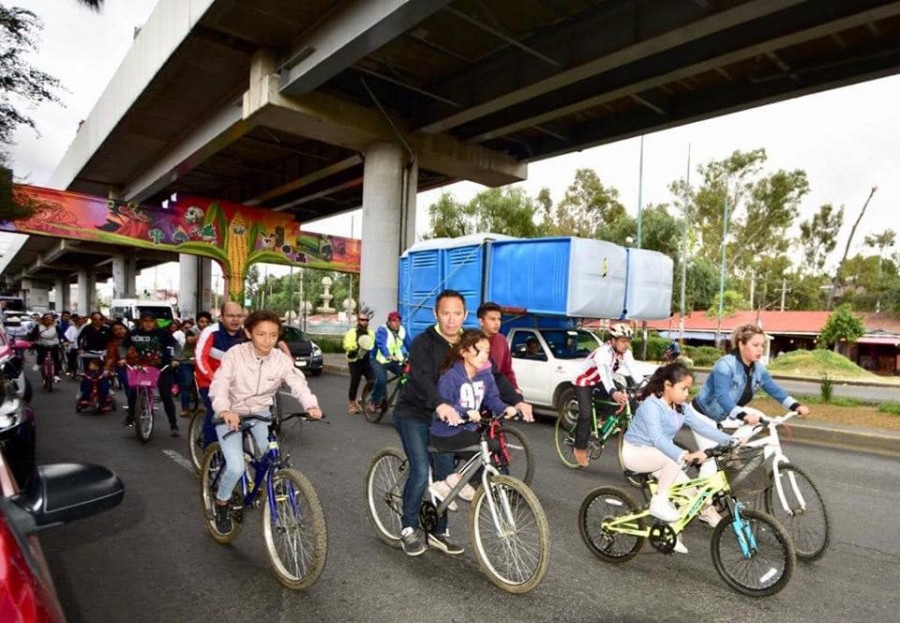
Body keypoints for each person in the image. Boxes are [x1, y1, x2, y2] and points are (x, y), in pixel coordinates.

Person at [393, 290, 532, 557]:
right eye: (445, 313)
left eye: (457, 313)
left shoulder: (469, 342)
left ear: (465, 315)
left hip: (450, 417)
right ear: (436, 314)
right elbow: (421, 377)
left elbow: (494, 375)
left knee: (447, 475)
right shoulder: (424, 342)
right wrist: (440, 403)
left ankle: (438, 531)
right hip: (416, 413)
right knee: (422, 470)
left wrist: (517, 400)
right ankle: (408, 528)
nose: (451, 319)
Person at [208, 310, 323, 534]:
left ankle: (264, 490)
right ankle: (222, 503)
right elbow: (220, 383)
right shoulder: (236, 354)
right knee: (236, 465)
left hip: (260, 412)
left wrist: (310, 405)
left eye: (272, 335)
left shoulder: (280, 360)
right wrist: (224, 409)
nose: (267, 340)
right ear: (249, 333)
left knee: (271, 458)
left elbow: (297, 383)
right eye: (261, 334)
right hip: (230, 412)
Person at [621, 363, 734, 553]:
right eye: (683, 388)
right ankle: (659, 501)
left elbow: (701, 426)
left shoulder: (680, 407)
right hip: (636, 453)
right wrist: (684, 455)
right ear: (667, 385)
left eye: (688, 389)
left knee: (689, 494)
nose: (686, 394)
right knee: (673, 458)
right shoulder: (652, 405)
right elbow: (657, 439)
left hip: (660, 456)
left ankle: (672, 532)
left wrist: (731, 439)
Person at [691, 324, 809, 474]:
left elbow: (775, 390)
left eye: (762, 345)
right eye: (755, 345)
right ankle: (704, 496)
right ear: (741, 344)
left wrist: (795, 406)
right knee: (712, 461)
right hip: (703, 415)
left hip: (727, 414)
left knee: (762, 419)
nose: (760, 349)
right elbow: (722, 398)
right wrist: (744, 415)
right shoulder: (725, 366)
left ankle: (732, 450)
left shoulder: (758, 369)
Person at [429, 329, 517, 509]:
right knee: (488, 445)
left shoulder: (485, 374)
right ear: (464, 352)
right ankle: (450, 482)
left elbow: (492, 399)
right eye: (479, 350)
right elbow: (442, 407)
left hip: (465, 431)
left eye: (486, 351)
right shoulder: (451, 376)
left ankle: (455, 479)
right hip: (444, 432)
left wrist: (506, 407)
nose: (484, 355)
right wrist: (465, 411)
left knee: (492, 449)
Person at [571, 322, 643, 467]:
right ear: (613, 340)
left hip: (601, 382)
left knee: (625, 396)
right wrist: (612, 392)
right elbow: (605, 376)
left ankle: (604, 421)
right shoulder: (603, 352)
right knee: (585, 414)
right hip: (584, 381)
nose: (626, 345)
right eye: (623, 341)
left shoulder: (626, 354)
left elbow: (635, 373)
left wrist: (648, 388)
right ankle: (579, 447)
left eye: (628, 341)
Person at [195, 302, 246, 446]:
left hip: (235, 383)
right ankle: (210, 458)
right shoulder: (210, 332)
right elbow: (200, 358)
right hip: (209, 381)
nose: (235, 319)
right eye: (230, 316)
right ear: (221, 317)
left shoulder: (245, 335)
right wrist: (216, 379)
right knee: (216, 412)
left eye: (239, 316)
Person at [123, 312, 180, 435]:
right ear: (141, 322)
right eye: (145, 321)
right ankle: (131, 415)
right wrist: (123, 357)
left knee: (166, 396)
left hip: (162, 367)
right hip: (141, 367)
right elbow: (123, 346)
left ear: (155, 322)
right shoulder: (133, 333)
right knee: (133, 392)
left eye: (151, 321)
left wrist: (175, 359)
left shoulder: (163, 333)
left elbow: (177, 346)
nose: (148, 323)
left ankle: (173, 424)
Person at [367, 311, 410, 414]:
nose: (397, 323)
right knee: (382, 380)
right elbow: (381, 344)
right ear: (389, 322)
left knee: (407, 376)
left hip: (393, 360)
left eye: (398, 320)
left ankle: (402, 400)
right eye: (394, 321)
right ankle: (374, 401)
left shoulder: (402, 331)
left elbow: (410, 345)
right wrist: (388, 355)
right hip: (378, 359)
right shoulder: (382, 330)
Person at [477, 301, 519, 392]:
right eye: (492, 319)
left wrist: (515, 389)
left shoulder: (502, 340)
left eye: (499, 319)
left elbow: (507, 371)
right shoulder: (471, 340)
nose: (497, 323)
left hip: (497, 395)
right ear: (481, 321)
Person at [343, 312, 375, 414]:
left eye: (366, 320)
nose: (364, 322)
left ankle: (361, 400)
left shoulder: (371, 333)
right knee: (355, 383)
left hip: (366, 361)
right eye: (362, 319)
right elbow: (347, 344)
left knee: (373, 381)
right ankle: (352, 404)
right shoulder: (352, 332)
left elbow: (373, 344)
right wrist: (355, 349)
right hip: (355, 361)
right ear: (358, 320)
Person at [28, 313, 63, 382]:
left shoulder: (56, 326)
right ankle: (38, 363)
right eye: (47, 319)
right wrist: (31, 341)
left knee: (56, 359)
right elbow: (32, 335)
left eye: (51, 320)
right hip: (42, 345)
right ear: (43, 320)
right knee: (41, 355)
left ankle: (56, 375)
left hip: (53, 345)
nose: (49, 321)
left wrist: (64, 341)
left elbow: (61, 334)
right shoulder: (38, 326)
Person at [104, 320, 131, 396]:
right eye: (115, 330)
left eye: (121, 328)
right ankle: (132, 404)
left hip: (139, 365)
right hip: (123, 367)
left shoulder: (134, 337)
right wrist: (107, 369)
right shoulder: (112, 343)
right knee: (128, 384)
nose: (119, 331)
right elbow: (110, 357)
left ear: (125, 328)